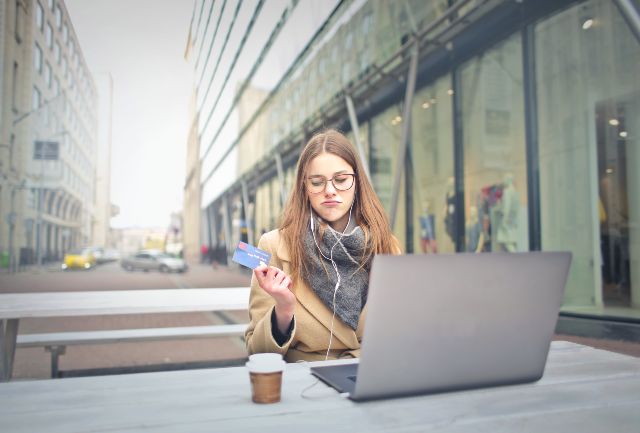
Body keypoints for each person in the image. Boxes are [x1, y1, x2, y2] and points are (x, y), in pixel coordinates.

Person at [245, 129, 400, 362]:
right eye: (317, 182)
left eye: (341, 180)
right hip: (306, 382)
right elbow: (256, 351)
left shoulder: (387, 245)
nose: (329, 191)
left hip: (372, 373)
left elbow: (400, 328)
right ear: (304, 188)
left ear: (357, 183)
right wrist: (284, 311)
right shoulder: (271, 245)